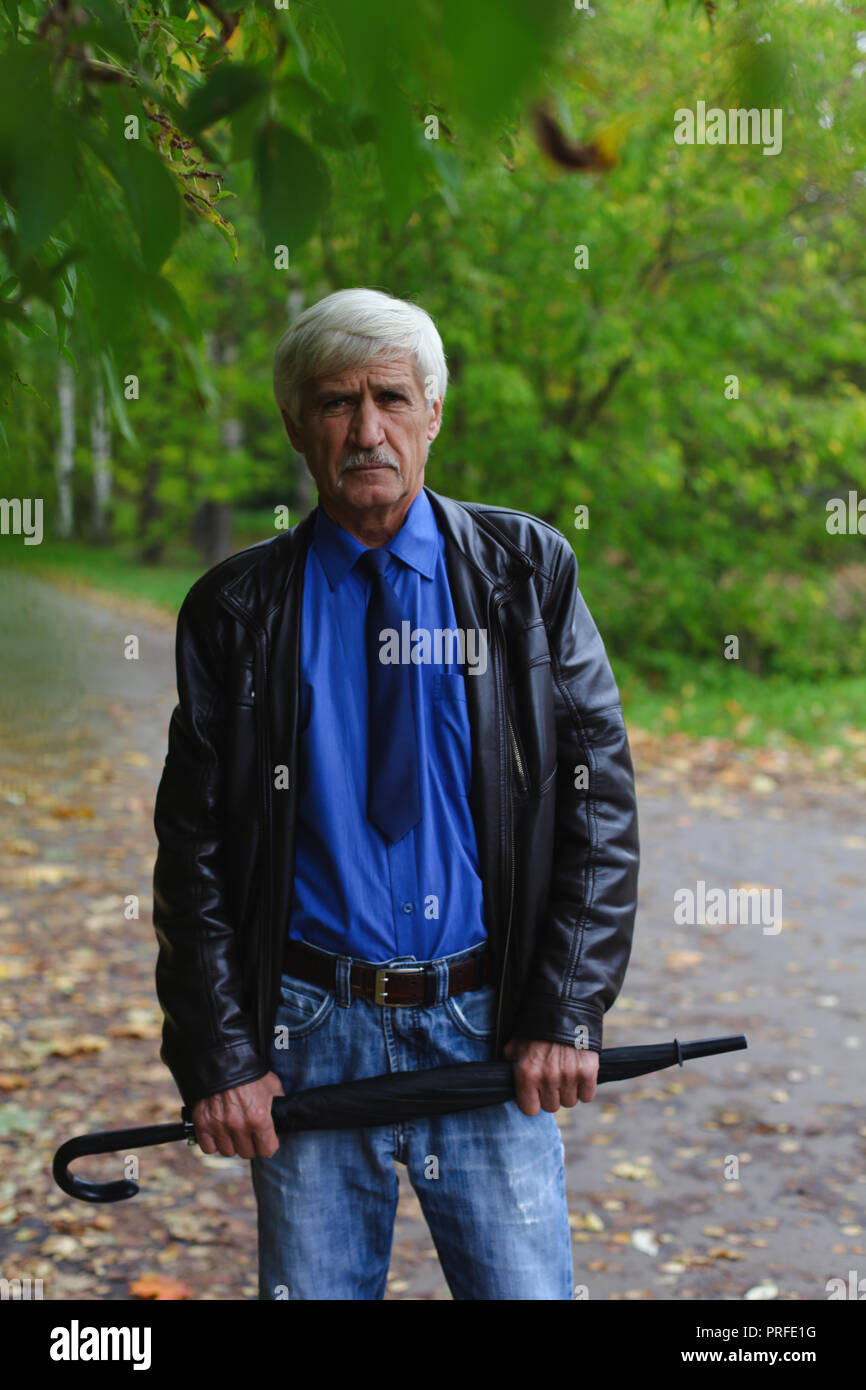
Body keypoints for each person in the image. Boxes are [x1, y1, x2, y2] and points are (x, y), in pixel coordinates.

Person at [152, 287, 640, 1300]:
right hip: (306, 1029)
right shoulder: (234, 610)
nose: (366, 430)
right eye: (335, 403)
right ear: (297, 425)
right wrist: (220, 1054)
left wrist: (564, 1007)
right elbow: (193, 851)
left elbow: (596, 801)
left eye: (390, 398)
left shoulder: (523, 575)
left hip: (487, 1027)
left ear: (433, 414)